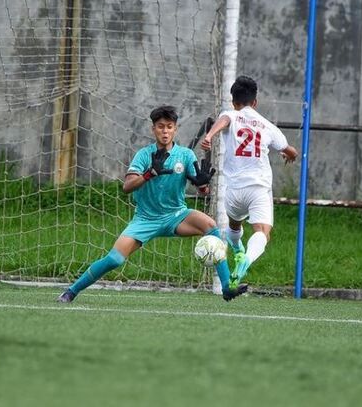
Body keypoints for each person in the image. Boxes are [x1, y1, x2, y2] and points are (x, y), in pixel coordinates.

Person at [57, 105, 248, 303]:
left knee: (210, 226)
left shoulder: (186, 155)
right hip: (145, 219)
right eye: (160, 127)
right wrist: (149, 174)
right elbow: (127, 186)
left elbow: (202, 190)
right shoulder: (143, 155)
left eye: (169, 127)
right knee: (114, 259)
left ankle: (226, 287)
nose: (165, 131)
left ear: (175, 129)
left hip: (176, 215)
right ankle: (71, 291)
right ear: (153, 129)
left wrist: (202, 185)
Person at [201, 76, 298, 289]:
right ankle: (245, 260)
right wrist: (291, 154)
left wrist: (209, 136)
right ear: (255, 102)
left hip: (234, 189)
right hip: (258, 188)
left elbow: (223, 121)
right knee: (262, 232)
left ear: (233, 101)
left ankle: (237, 250)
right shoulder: (267, 125)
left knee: (234, 225)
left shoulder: (230, 115)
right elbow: (289, 149)